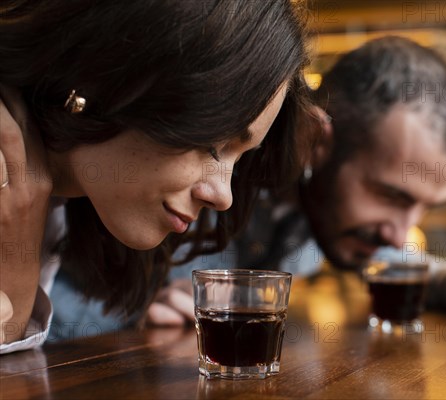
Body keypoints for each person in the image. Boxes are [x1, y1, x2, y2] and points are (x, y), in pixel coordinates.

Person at [48, 36, 446, 337]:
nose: (401, 233)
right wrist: (132, 322)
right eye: (391, 196)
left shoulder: (333, 216)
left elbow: (395, 264)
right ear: (316, 140)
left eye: (425, 208)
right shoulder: (201, 165)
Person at [0, 0, 311, 352]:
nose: (224, 197)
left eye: (238, 161)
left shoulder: (73, 207)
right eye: (212, 144)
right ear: (112, 72)